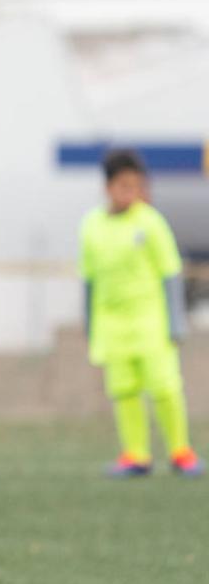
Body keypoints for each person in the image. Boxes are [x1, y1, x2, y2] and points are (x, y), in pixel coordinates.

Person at [80, 149, 202, 478]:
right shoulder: (92, 226)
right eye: (123, 185)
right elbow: (88, 282)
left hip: (150, 322)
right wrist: (90, 326)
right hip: (112, 325)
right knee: (124, 390)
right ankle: (136, 454)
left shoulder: (150, 222)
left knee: (164, 387)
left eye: (136, 185)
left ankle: (181, 452)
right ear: (107, 187)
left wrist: (175, 322)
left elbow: (170, 273)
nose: (130, 193)